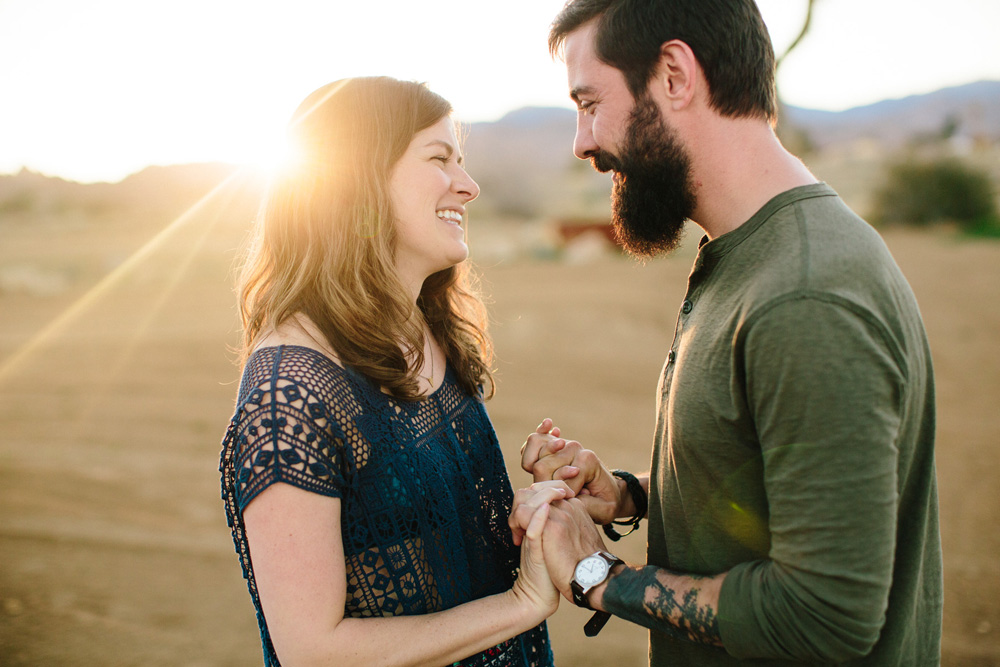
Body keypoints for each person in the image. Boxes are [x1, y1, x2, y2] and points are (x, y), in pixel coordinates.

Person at [509, 0, 942, 665]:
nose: (582, 142)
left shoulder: (805, 294)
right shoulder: (749, 253)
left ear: (675, 75)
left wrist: (601, 578)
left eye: (590, 103)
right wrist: (624, 494)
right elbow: (773, 471)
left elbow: (825, 617)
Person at [219, 76, 564, 667]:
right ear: (358, 181)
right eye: (439, 158)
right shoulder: (291, 394)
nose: (470, 185)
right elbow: (312, 650)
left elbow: (423, 543)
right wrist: (522, 603)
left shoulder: (426, 332)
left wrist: (532, 515)